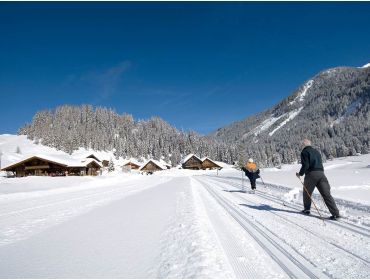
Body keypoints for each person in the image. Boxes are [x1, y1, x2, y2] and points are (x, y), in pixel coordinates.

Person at [296, 139, 341, 220]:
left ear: (303, 145)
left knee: (307, 193)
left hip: (311, 174)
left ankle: (307, 210)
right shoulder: (316, 152)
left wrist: (300, 174)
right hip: (321, 174)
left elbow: (305, 165)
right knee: (327, 194)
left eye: (301, 145)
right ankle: (336, 214)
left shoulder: (304, 152)